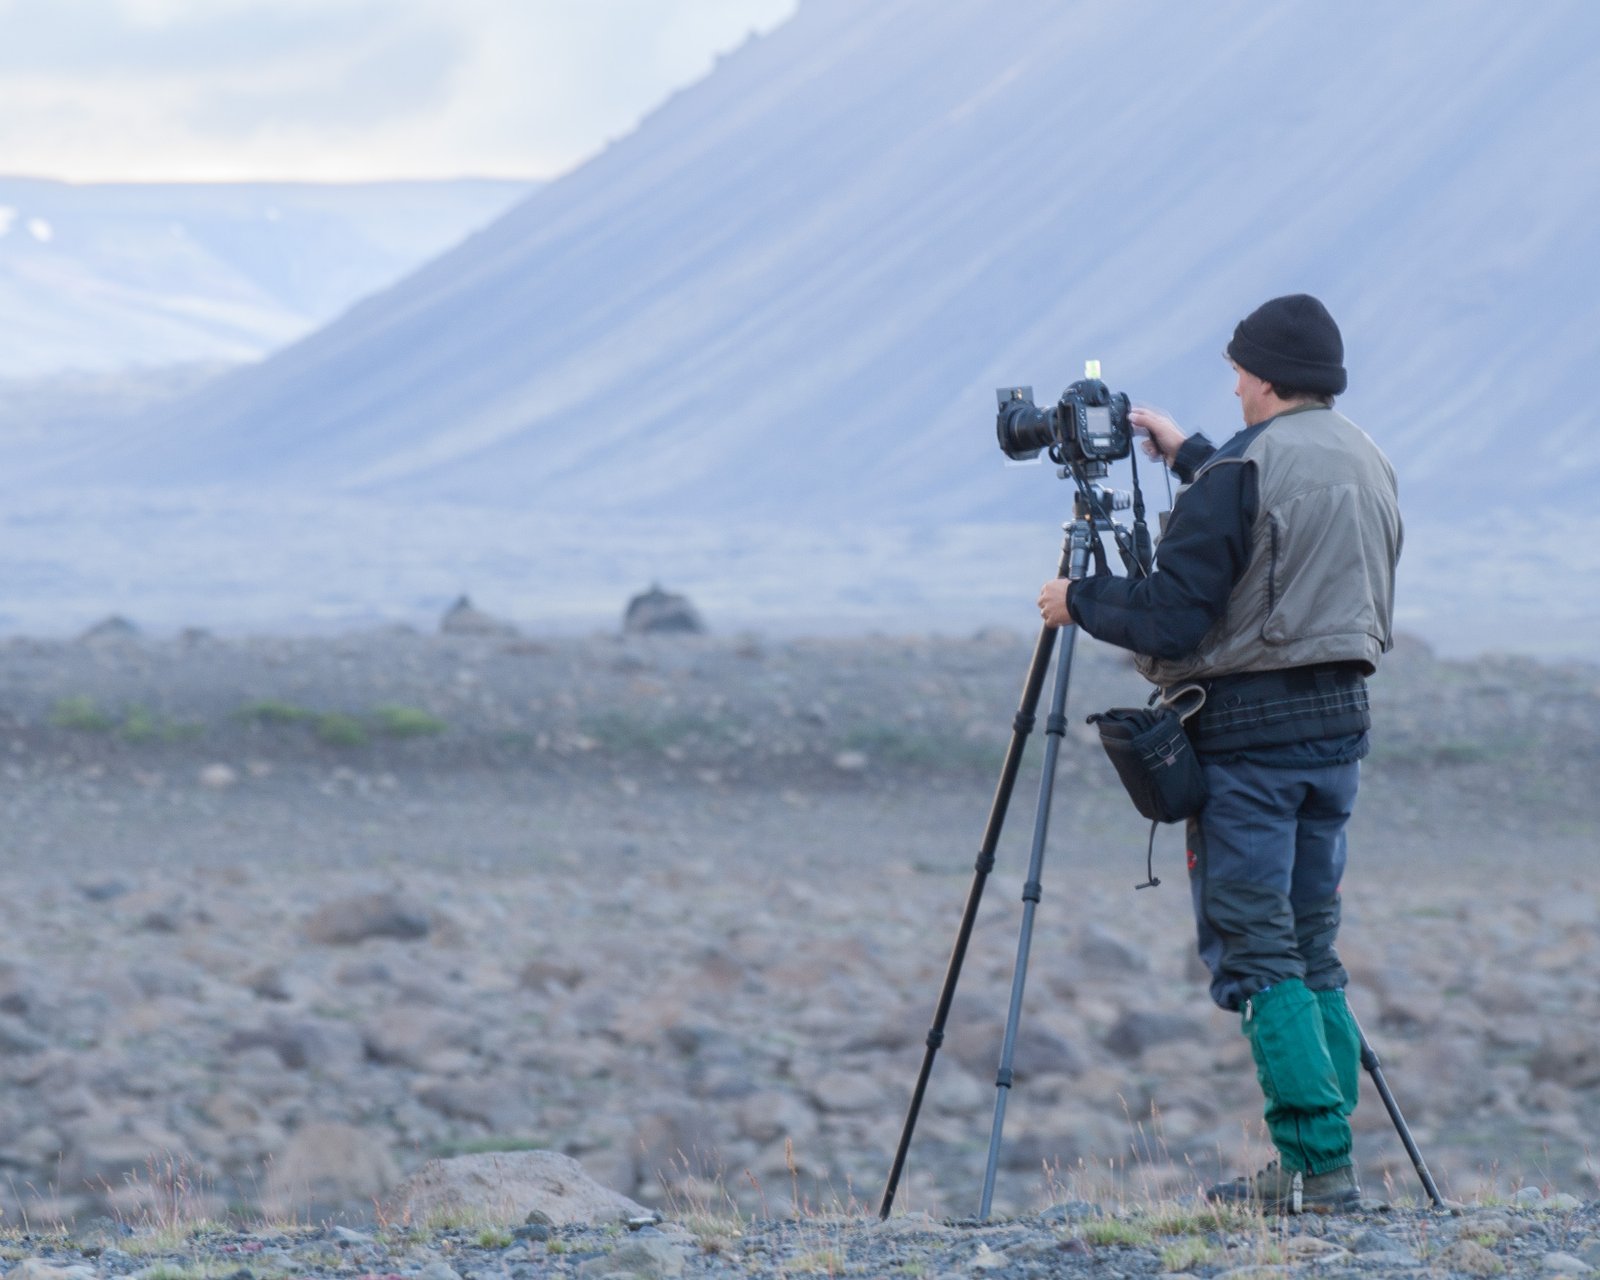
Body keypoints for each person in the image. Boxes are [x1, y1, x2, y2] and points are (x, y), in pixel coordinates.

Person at [1036, 294, 1402, 1213]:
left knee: (1259, 951)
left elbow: (1172, 615)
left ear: (1269, 377)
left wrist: (1076, 601)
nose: (1233, 384)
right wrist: (1191, 455)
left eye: (1240, 370)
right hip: (1339, 734)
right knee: (1312, 948)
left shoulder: (1242, 470)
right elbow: (1282, 525)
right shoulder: (1366, 455)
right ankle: (1328, 1161)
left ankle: (1316, 1169)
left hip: (1250, 746)